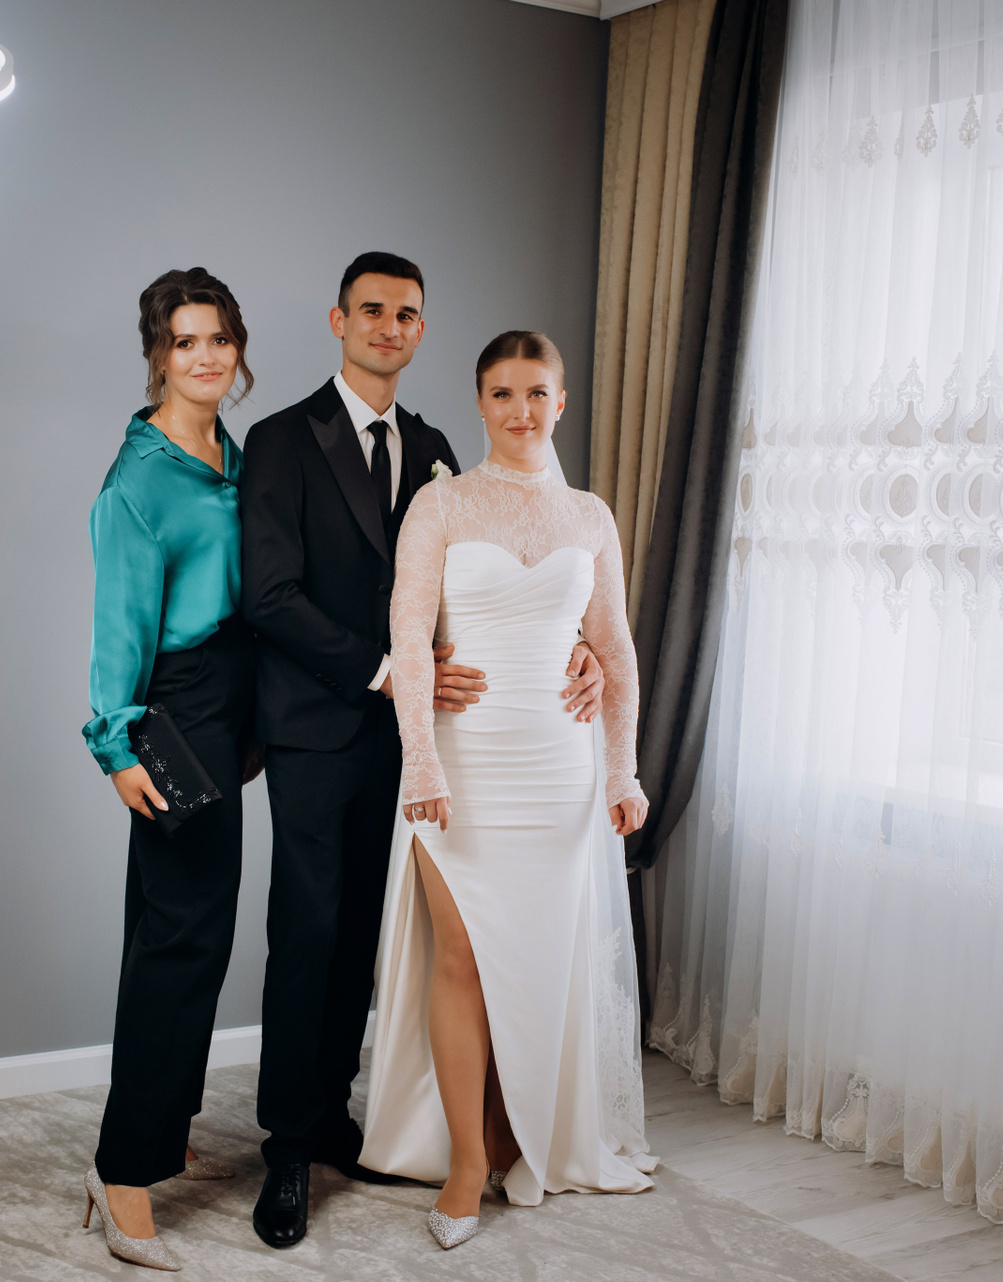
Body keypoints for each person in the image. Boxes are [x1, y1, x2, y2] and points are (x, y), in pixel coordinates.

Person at [240, 254, 608, 1248]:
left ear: (419, 329)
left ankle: (335, 1113)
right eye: (372, 311)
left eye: (406, 314)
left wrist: (571, 642)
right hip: (321, 726)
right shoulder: (281, 440)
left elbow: (479, 589)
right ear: (339, 321)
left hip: (428, 741)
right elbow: (269, 594)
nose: (389, 327)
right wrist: (386, 672)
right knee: (308, 932)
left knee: (374, 936)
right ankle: (287, 1146)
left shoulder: (439, 448)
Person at [359, 331, 656, 1250]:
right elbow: (410, 640)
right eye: (502, 393)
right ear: (481, 402)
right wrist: (422, 762)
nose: (520, 411)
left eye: (536, 393)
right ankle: (463, 1164)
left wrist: (622, 769)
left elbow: (614, 648)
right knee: (460, 959)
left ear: (560, 402)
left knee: (538, 959)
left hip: (560, 768)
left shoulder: (591, 517)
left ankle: (516, 1132)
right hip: (466, 761)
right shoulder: (440, 504)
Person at [79, 268, 256, 1272]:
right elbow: (119, 623)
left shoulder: (227, 451)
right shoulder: (138, 481)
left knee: (188, 927)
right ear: (158, 354)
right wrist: (117, 745)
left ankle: (163, 1122)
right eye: (186, 341)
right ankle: (123, 1170)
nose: (205, 357)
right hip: (174, 709)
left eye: (219, 338)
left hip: (232, 699)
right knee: (179, 940)